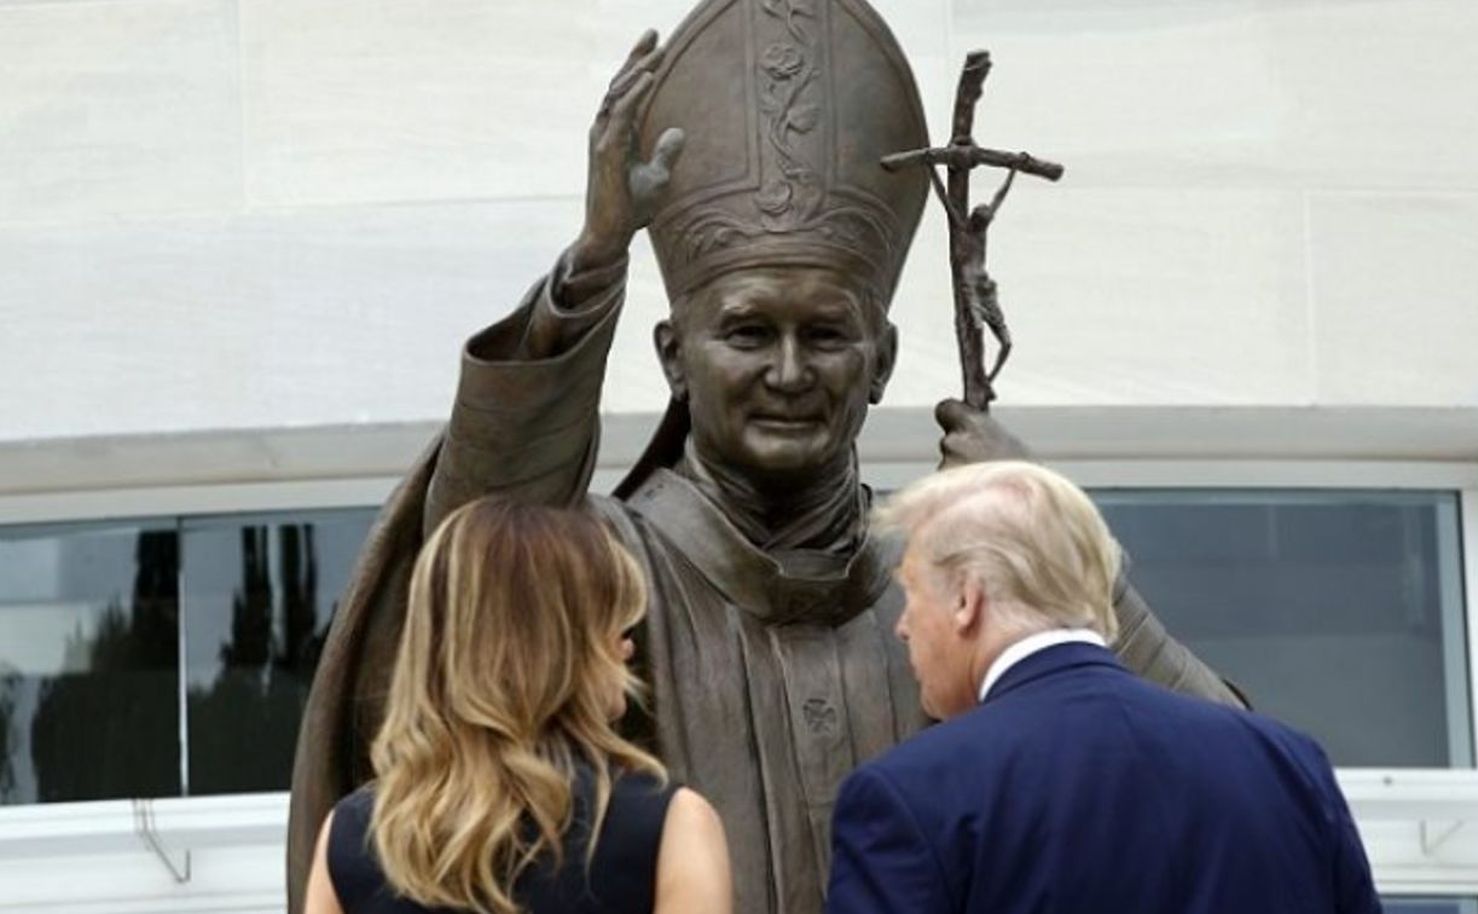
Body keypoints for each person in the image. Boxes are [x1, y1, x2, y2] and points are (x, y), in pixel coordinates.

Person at [288, 3, 1243, 912]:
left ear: (882, 362)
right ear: (675, 357)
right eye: (747, 333)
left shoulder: (949, 603)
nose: (789, 371)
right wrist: (595, 257)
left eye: (826, 334)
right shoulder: (607, 581)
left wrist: (1051, 554)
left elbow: (1228, 778)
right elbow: (469, 554)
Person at [826, 461, 1382, 914]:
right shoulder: (1287, 764)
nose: (902, 625)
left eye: (912, 592)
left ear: (967, 598)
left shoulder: (912, 794)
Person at [300, 496, 732, 914]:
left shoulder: (351, 838)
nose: (626, 646)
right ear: (554, 650)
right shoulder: (670, 827)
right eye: (612, 623)